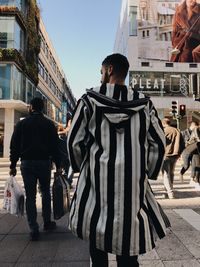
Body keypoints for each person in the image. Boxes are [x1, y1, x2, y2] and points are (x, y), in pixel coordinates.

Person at [67, 53, 170, 267]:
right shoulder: (144, 104)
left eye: (102, 71)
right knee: (127, 239)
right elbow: (158, 143)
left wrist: (81, 166)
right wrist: (147, 171)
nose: (101, 74)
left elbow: (73, 141)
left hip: (96, 183)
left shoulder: (89, 101)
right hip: (131, 187)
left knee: (97, 235)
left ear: (110, 69)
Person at [9, 97, 61, 241]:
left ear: (31, 107)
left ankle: (33, 229)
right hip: (44, 162)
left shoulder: (22, 124)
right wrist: (59, 165)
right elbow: (55, 146)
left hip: (27, 164)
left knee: (30, 196)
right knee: (45, 192)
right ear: (42, 108)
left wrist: (13, 165)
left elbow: (14, 146)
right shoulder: (49, 124)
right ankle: (47, 222)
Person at [161, 118, 182, 199]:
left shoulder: (163, 131)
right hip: (175, 155)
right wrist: (179, 153)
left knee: (165, 174)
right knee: (171, 173)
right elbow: (182, 143)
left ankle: (170, 193)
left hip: (165, 155)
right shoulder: (177, 130)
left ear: (163, 123)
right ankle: (169, 190)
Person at [57, 112, 73, 187]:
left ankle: (63, 183)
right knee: (68, 169)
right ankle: (68, 182)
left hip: (61, 157)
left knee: (62, 170)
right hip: (67, 155)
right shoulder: (66, 138)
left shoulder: (58, 138)